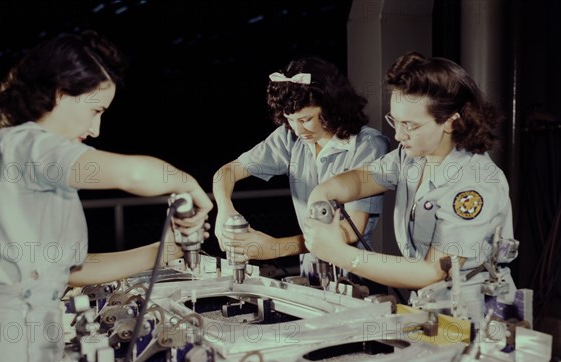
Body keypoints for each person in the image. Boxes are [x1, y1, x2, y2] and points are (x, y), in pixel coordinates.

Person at [0, 30, 213, 362]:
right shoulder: (23, 146)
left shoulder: (34, 168)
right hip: (3, 352)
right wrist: (186, 182)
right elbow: (132, 175)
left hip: (26, 344)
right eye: (95, 110)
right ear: (61, 94)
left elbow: (72, 271)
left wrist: (165, 250)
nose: (97, 128)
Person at [303, 51, 517, 316]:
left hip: (474, 309)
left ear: (451, 122)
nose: (398, 134)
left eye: (410, 125)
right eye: (395, 120)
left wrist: (341, 254)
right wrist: (322, 192)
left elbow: (433, 271)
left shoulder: (474, 185)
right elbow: (360, 180)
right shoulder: (412, 157)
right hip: (430, 302)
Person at [213, 56, 389, 287]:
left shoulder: (368, 145)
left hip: (356, 273)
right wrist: (225, 209)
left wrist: (275, 247)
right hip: (310, 272)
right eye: (290, 119)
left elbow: (348, 231)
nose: (298, 129)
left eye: (306, 119)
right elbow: (226, 173)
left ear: (331, 107)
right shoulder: (290, 137)